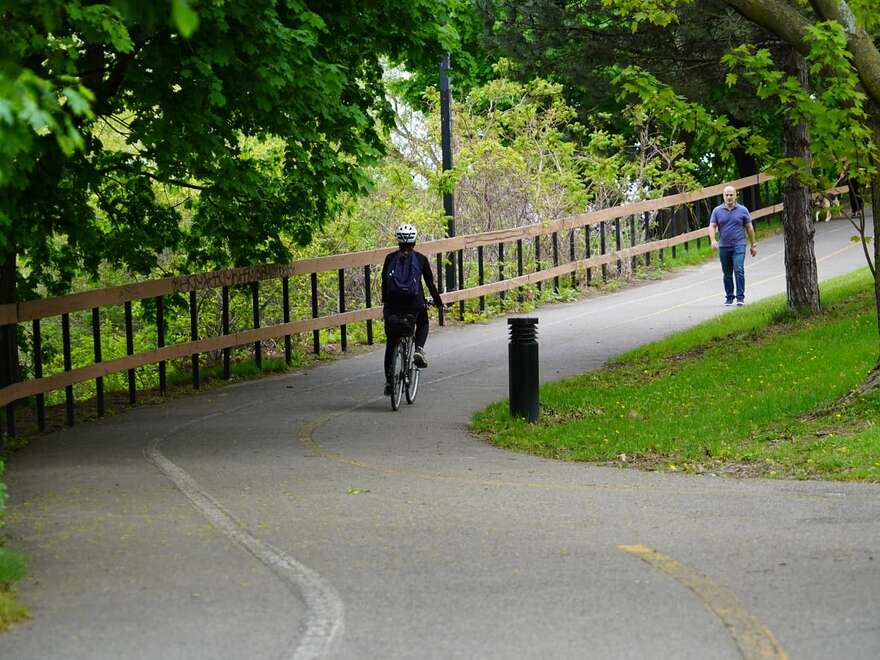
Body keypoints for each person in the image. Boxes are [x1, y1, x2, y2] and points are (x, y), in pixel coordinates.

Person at [381, 224, 444, 395]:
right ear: (414, 241)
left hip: (393, 305)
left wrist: (386, 303)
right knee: (423, 322)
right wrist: (439, 303)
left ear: (398, 241)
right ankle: (419, 350)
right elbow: (430, 284)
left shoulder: (389, 258)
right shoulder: (420, 259)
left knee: (391, 340)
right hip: (413, 304)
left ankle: (389, 382)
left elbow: (385, 283)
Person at [708, 186, 757, 307]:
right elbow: (712, 226)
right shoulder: (717, 211)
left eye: (731, 195)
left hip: (739, 245)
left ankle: (740, 297)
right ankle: (729, 297)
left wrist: (753, 245)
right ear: (723, 196)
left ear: (735, 195)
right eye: (726, 195)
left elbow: (749, 228)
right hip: (724, 246)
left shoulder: (743, 210)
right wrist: (713, 240)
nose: (729, 197)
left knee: (738, 269)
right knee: (727, 273)